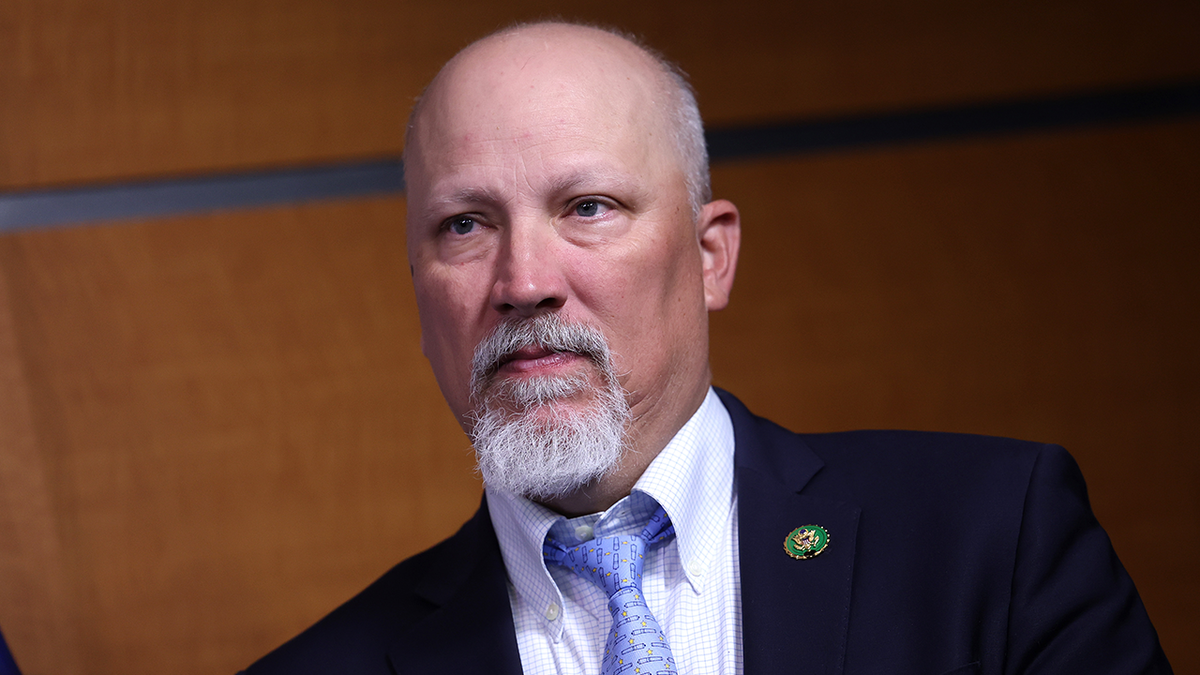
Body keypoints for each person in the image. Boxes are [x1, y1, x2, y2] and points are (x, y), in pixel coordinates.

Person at [242, 21, 1171, 675]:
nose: (523, 279)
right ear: (421, 292)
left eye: (588, 207)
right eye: (464, 225)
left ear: (709, 256)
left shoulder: (993, 539)